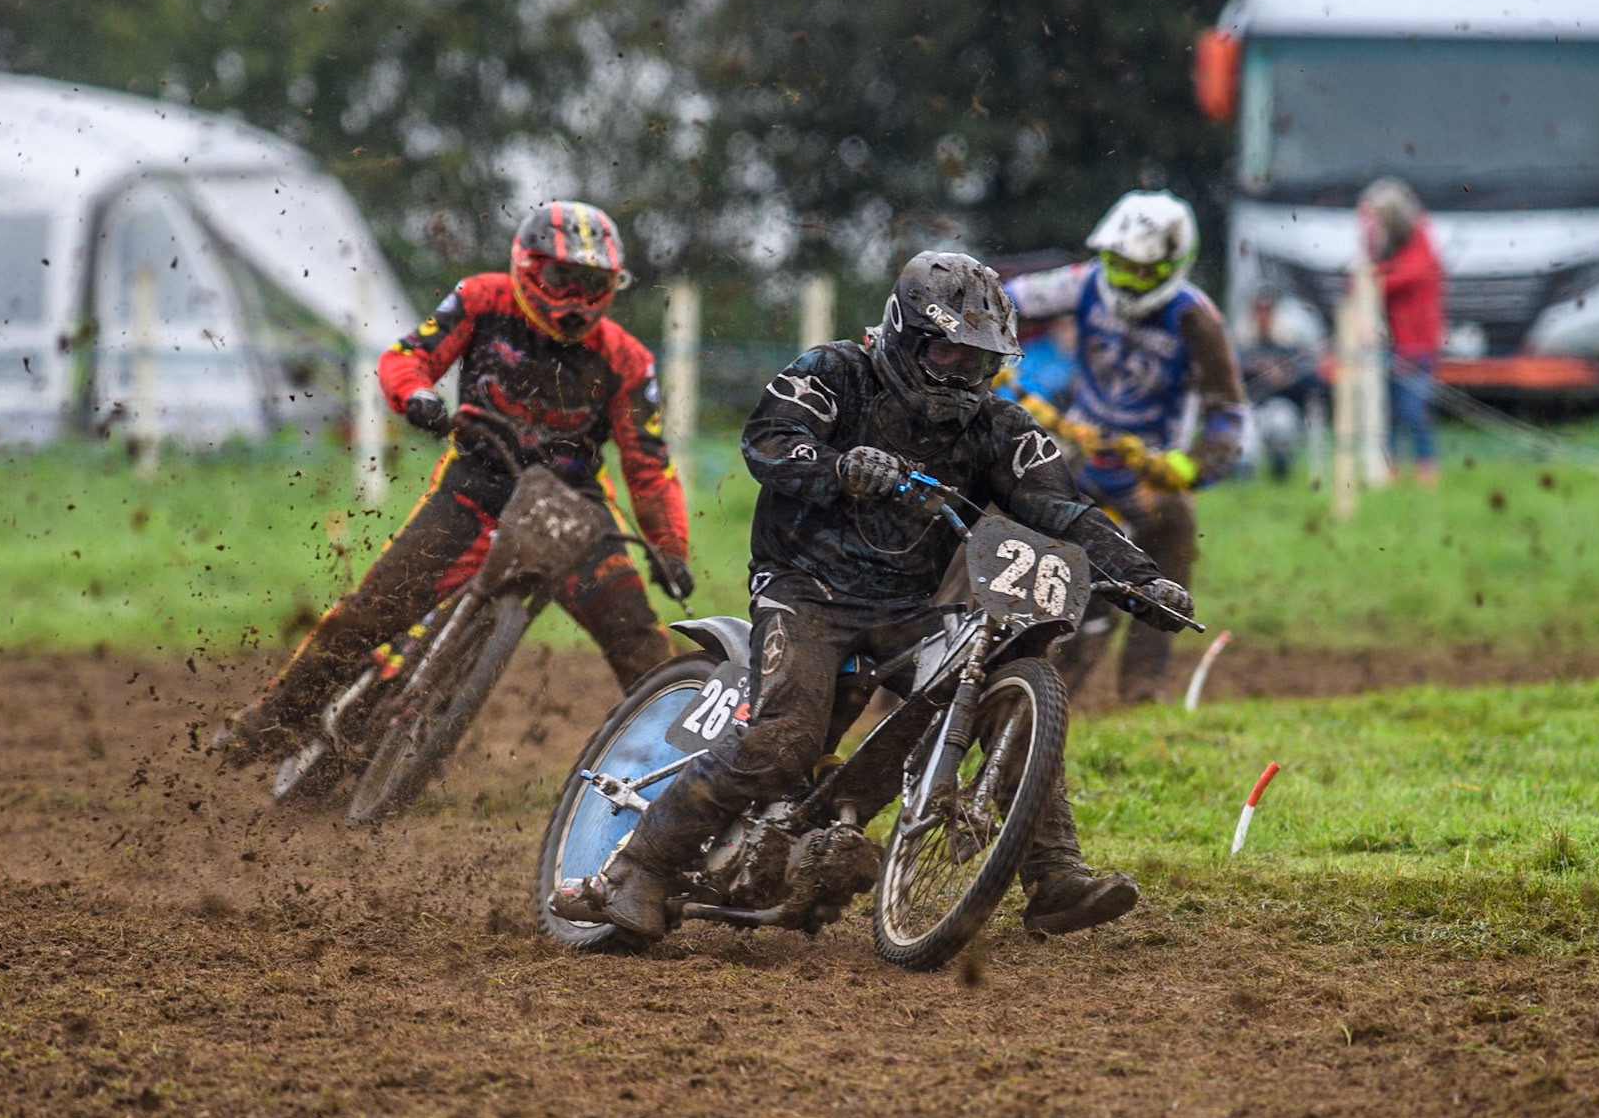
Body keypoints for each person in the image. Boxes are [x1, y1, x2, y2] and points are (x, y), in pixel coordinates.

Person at [560, 250, 1194, 941]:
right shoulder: (833, 373)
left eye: (980, 362)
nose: (962, 375)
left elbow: (1062, 511)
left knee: (991, 685)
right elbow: (766, 441)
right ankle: (637, 869)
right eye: (949, 355)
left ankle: (1054, 875)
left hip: (909, 608)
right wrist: (839, 465)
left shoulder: (997, 425)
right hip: (804, 588)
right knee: (787, 738)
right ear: (905, 333)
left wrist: (1140, 575)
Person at [212, 200, 693, 762]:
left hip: (571, 512)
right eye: (563, 278)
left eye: (592, 284)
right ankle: (270, 722)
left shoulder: (627, 359)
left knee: (639, 640)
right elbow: (407, 356)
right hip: (475, 489)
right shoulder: (481, 299)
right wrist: (415, 394)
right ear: (530, 267)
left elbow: (649, 465)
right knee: (368, 613)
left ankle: (685, 771)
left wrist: (670, 549)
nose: (575, 299)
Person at [1001, 190, 1247, 702]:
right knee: (1003, 509)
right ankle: (1011, 675)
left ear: (1172, 265)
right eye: (1117, 264)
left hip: (1147, 466)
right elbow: (1005, 297)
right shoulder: (1085, 280)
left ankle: (1142, 687)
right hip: (1077, 447)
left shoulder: (1195, 317)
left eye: (1140, 270)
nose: (1124, 280)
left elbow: (1228, 411)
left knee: (1170, 536)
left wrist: (1189, 467)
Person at [1357, 177, 1444, 488]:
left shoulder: (1418, 238)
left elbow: (1408, 275)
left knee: (1414, 408)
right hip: (1389, 338)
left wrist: (1373, 275)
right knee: (1387, 408)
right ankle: (1390, 465)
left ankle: (1426, 466)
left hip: (1415, 340)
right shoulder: (1382, 243)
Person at [1233, 284, 1327, 481]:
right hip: (1250, 407)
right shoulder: (1243, 347)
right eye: (1259, 310)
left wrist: (1286, 376)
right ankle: (1242, 478)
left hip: (1282, 406)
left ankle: (1280, 471)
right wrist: (1252, 368)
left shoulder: (1290, 347)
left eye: (1267, 310)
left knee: (1281, 420)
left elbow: (1313, 382)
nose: (1263, 316)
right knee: (1245, 425)